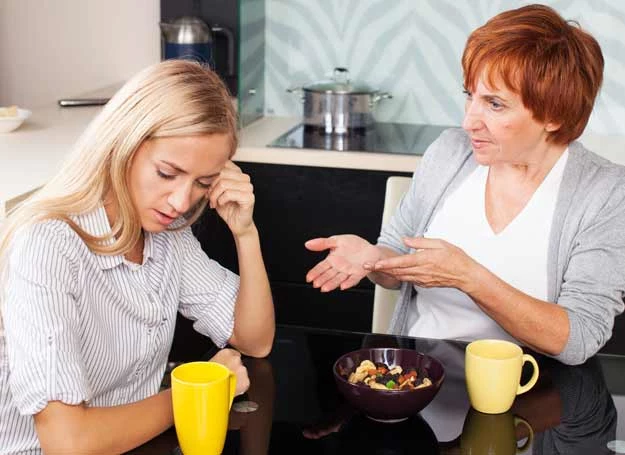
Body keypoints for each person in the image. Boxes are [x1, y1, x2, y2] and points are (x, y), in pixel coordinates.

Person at [305, 4, 625, 366]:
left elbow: (579, 338)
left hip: (531, 402)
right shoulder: (449, 151)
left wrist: (468, 277)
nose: (469, 120)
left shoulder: (606, 192)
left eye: (494, 104)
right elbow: (397, 255)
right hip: (419, 385)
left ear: (554, 114)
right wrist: (373, 258)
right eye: (470, 95)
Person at [0, 60, 275, 454]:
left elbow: (254, 339)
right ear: (123, 143)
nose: (182, 201)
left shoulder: (166, 236)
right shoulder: (47, 244)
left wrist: (245, 233)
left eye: (203, 183)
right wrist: (200, 391)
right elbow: (67, 443)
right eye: (167, 173)